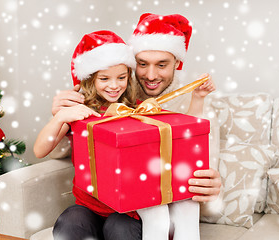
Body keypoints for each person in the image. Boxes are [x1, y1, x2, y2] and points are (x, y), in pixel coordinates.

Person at [50, 13, 222, 240]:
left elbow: (200, 164)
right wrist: (59, 116)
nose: (151, 75)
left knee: (127, 225)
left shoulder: (193, 104)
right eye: (142, 64)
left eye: (162, 64)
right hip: (102, 202)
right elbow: (60, 151)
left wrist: (212, 185)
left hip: (144, 208)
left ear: (177, 63)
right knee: (71, 224)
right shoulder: (114, 94)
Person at [34, 30, 142, 240]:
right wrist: (60, 118)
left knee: (120, 228)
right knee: (69, 224)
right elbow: (39, 150)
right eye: (104, 78)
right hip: (88, 205)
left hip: (127, 208)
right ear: (90, 79)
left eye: (121, 77)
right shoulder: (78, 109)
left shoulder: (135, 109)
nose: (114, 85)